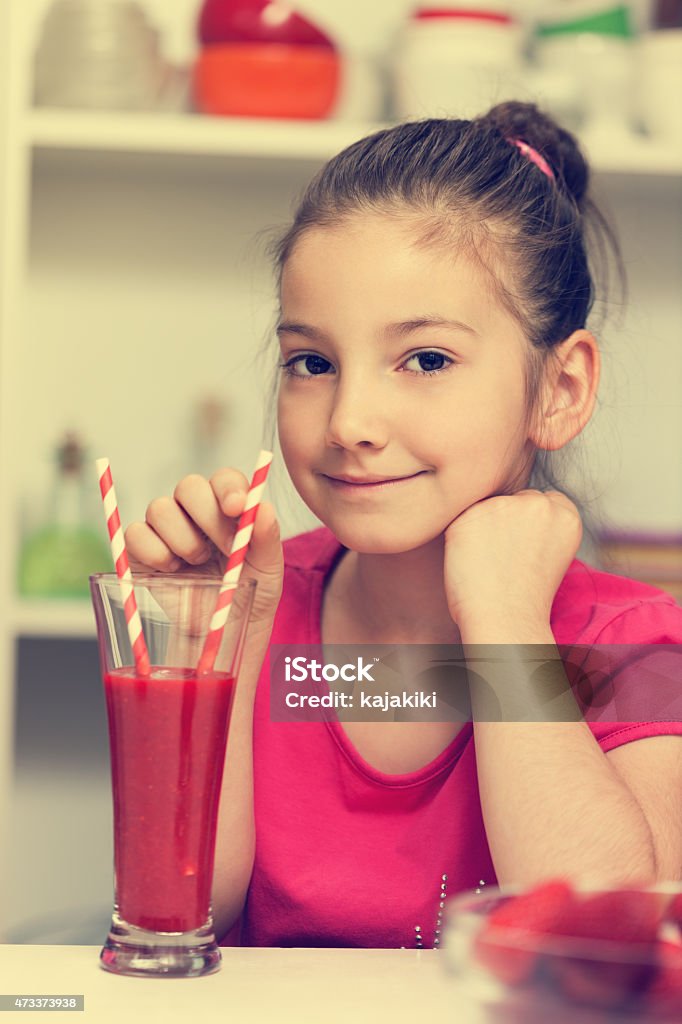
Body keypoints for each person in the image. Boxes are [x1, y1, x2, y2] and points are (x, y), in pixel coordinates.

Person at [126, 103, 682, 949]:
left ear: (560, 389)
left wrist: (504, 621)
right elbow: (183, 917)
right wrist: (216, 639)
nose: (350, 420)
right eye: (312, 363)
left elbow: (610, 948)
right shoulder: (263, 607)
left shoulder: (636, 647)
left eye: (426, 359)